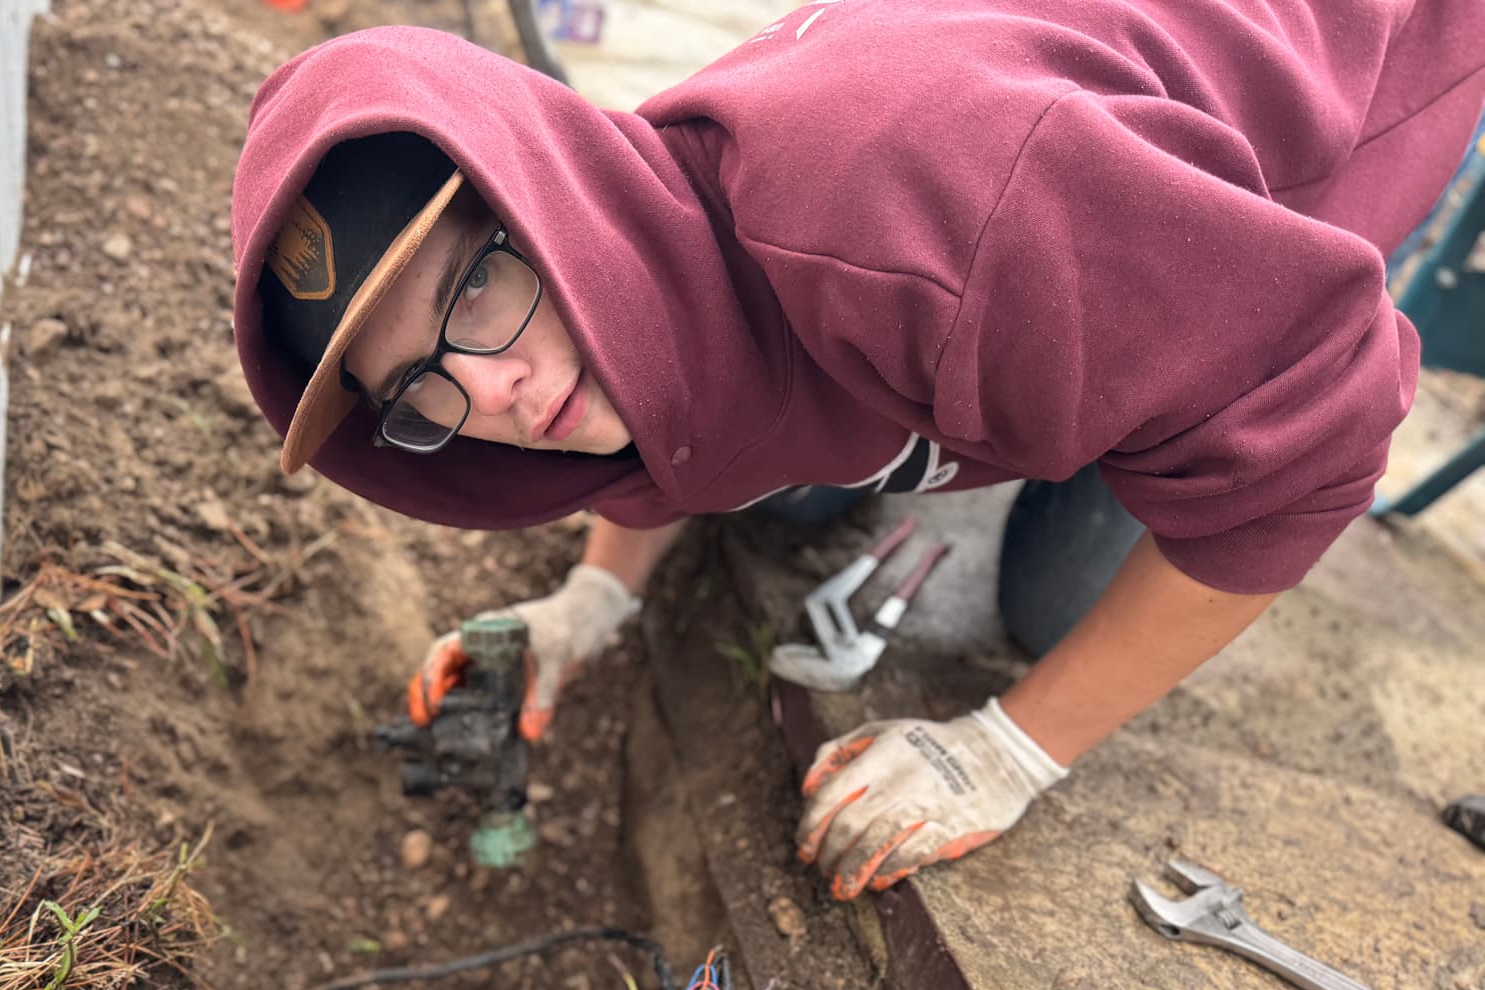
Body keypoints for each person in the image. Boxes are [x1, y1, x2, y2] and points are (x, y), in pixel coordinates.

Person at [230, 2, 1485, 900]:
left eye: (476, 293)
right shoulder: (617, 292)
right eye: (417, 389)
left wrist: (1011, 750)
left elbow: (1323, 435)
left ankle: (1102, 368)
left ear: (549, 194)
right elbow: (666, 421)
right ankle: (1061, 367)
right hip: (1031, 228)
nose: (489, 391)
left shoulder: (933, 211)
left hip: (1354, 67)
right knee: (781, 500)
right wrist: (592, 601)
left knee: (1057, 613)